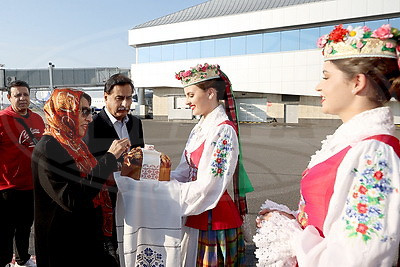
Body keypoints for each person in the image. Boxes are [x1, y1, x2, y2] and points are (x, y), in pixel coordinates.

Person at [254, 24, 400, 266]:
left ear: (357, 82)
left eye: (326, 76)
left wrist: (291, 236)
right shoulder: (354, 142)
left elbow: (359, 257)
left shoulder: (374, 152)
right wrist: (293, 218)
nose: (318, 86)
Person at [31, 88, 130, 267]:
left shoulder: (75, 144)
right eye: (83, 111)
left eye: (90, 111)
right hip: (62, 245)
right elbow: (72, 198)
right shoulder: (48, 148)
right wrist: (109, 158)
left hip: (83, 237)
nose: (90, 118)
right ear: (64, 112)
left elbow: (90, 178)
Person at [173, 63, 254, 266]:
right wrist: (159, 178)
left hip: (212, 216)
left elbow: (211, 184)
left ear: (210, 93)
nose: (187, 102)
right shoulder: (200, 128)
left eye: (190, 95)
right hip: (195, 211)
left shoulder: (224, 130)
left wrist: (171, 196)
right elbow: (184, 171)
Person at [83, 73, 144, 265]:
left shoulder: (136, 123)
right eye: (119, 98)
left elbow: (139, 152)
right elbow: (87, 163)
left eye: (129, 98)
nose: (125, 104)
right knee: (109, 252)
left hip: (131, 195)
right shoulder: (91, 125)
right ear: (106, 96)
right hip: (104, 200)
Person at [0, 80, 45, 267]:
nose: (22, 98)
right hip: (7, 185)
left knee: (25, 226)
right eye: (17, 95)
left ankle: (22, 259)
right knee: (6, 229)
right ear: (9, 98)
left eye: (25, 94)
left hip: (31, 184)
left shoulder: (38, 119)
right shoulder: (2, 119)